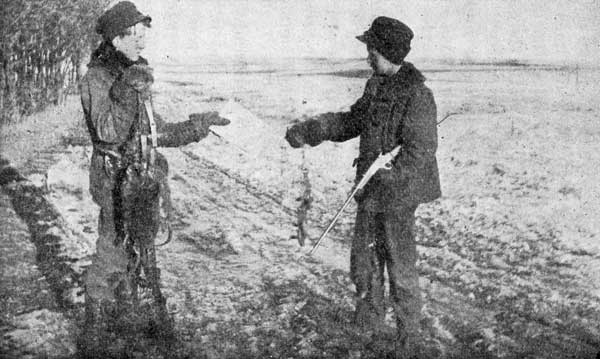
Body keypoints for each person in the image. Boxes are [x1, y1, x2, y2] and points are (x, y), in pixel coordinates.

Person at [285, 16, 441, 357]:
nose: (367, 55)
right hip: (370, 194)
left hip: (398, 197)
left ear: (386, 51)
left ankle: (408, 338)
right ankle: (369, 325)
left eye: (371, 48)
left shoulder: (417, 95)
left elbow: (421, 151)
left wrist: (390, 174)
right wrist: (313, 130)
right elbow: (351, 121)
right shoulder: (375, 87)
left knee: (400, 266)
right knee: (364, 262)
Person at [78, 1, 229, 353]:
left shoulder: (136, 72)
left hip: (142, 177)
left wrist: (196, 126)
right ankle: (94, 338)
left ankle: (136, 321)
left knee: (145, 251)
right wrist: (127, 88)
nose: (143, 41)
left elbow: (152, 129)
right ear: (116, 38)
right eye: (136, 34)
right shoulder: (96, 78)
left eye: (145, 33)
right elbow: (107, 133)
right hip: (114, 179)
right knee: (111, 252)